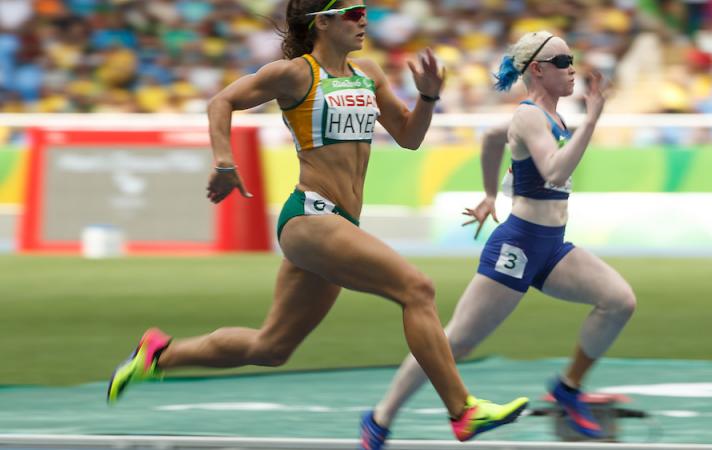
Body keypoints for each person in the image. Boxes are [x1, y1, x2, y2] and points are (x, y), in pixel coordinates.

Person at [105, 0, 528, 444]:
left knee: (272, 348)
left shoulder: (369, 75)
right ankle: (462, 411)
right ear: (322, 22)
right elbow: (221, 101)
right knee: (416, 288)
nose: (363, 18)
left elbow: (409, 136)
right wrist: (225, 161)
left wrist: (427, 97)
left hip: (338, 223)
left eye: (364, 11)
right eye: (352, 12)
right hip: (310, 215)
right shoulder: (295, 74)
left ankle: (157, 354)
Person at [358, 31, 637, 448]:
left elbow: (491, 140)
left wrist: (491, 193)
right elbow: (555, 172)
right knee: (454, 342)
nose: (573, 68)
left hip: (552, 247)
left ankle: (567, 388)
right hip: (519, 247)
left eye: (573, 59)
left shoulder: (547, 118)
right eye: (563, 61)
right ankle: (379, 419)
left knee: (619, 301)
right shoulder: (530, 116)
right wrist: (593, 118)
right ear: (538, 70)